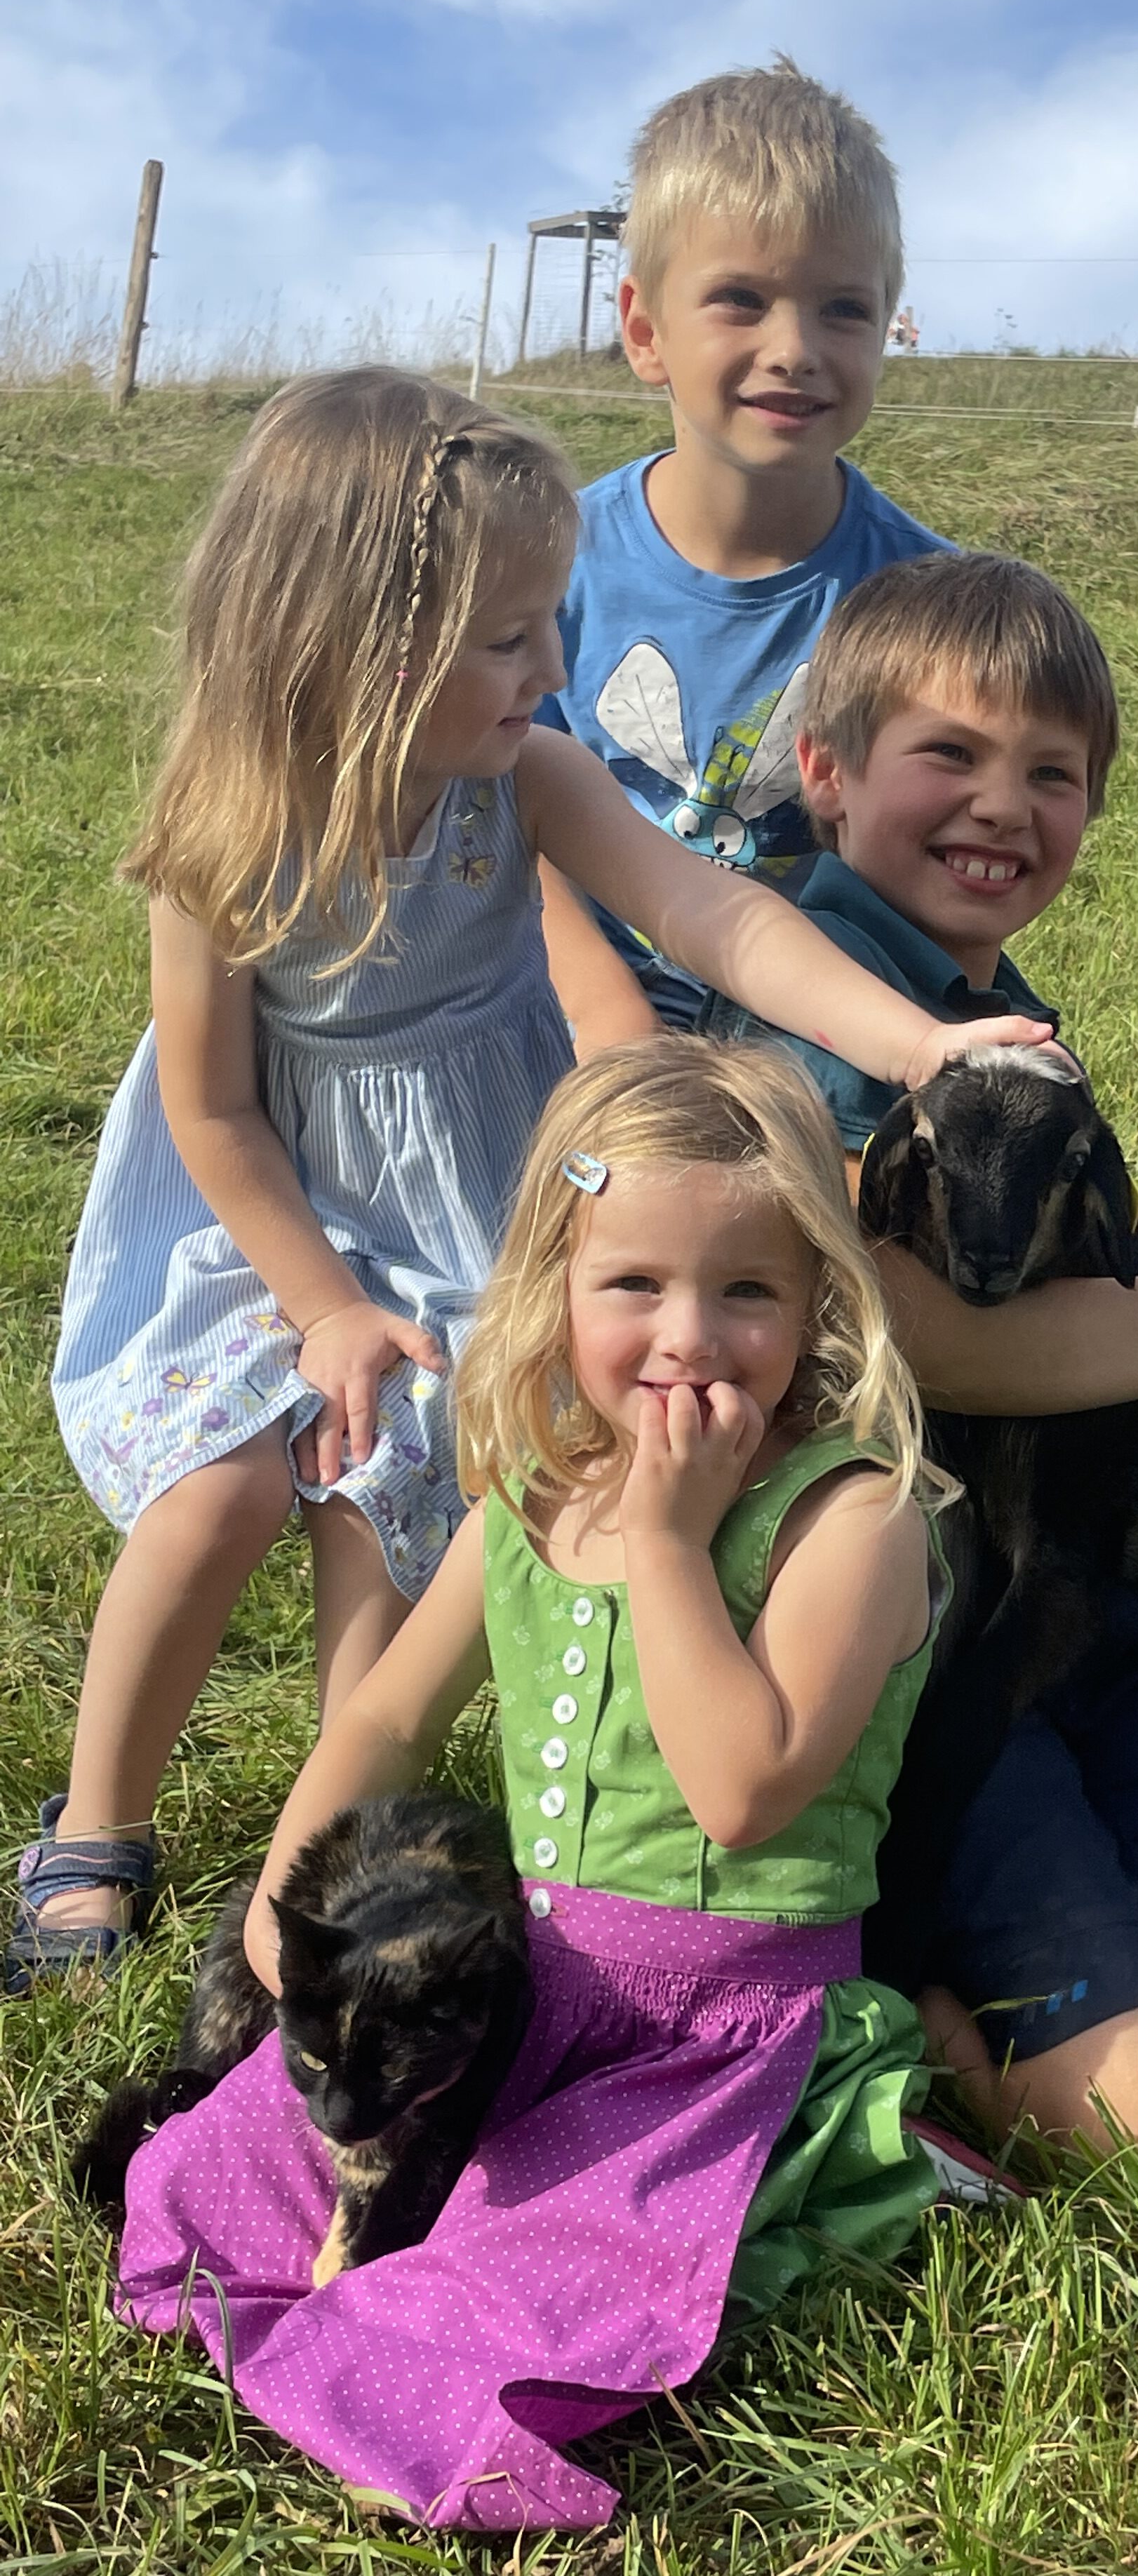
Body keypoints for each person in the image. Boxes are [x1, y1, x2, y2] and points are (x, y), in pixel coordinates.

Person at [22, 370, 1044, 1989]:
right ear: (353, 642)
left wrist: (923, 1048)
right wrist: (324, 1308)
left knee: (410, 1507)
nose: (550, 669)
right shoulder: (226, 840)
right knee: (216, 1495)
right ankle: (94, 1827)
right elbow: (217, 1117)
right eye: (510, 637)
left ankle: (341, 1851)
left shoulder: (524, 778)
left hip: (474, 1197)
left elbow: (718, 919)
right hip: (270, 1217)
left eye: (544, 625)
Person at [112, 1038, 954, 2533]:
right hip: (532, 1998)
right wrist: (280, 1905)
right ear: (553, 1292)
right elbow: (383, 1713)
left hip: (710, 2036)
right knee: (192, 2190)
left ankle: (813, 2177)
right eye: (634, 1284)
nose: (689, 1337)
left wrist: (677, 1544)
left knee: (484, 2317)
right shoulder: (538, 1492)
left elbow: (742, 1795)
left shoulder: (853, 1519)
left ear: (819, 1302)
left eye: (745, 1290)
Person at [711, 546, 1138, 2158]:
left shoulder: (993, 1002)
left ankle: (1122, 1900)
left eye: (1054, 774)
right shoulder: (806, 1018)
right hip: (915, 1672)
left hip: (1074, 1614)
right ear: (823, 773)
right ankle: (909, 2016)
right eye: (948, 756)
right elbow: (890, 1325)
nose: (1002, 806)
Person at [536, 58, 949, 1046]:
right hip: (569, 1020)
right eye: (741, 300)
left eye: (843, 308)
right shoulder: (544, 568)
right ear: (645, 331)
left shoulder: (926, 602)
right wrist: (608, 1017)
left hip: (828, 1028)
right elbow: (500, 818)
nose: (796, 346)